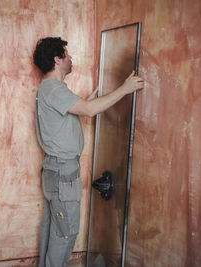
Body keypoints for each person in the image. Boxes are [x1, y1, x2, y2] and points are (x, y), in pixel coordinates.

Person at [33, 37, 144, 267]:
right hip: (63, 171)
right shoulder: (52, 88)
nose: (70, 58)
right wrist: (125, 88)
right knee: (64, 235)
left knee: (54, 230)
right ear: (57, 59)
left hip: (56, 169)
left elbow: (71, 114)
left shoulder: (50, 89)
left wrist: (86, 103)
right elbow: (89, 111)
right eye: (67, 54)